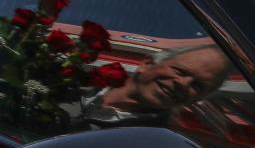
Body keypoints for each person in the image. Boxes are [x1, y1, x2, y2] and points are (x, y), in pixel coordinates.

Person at [81, 45, 230, 127]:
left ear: (194, 101)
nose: (183, 84)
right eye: (180, 71)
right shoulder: (75, 79)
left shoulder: (152, 145)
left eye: (197, 86)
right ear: (147, 64)